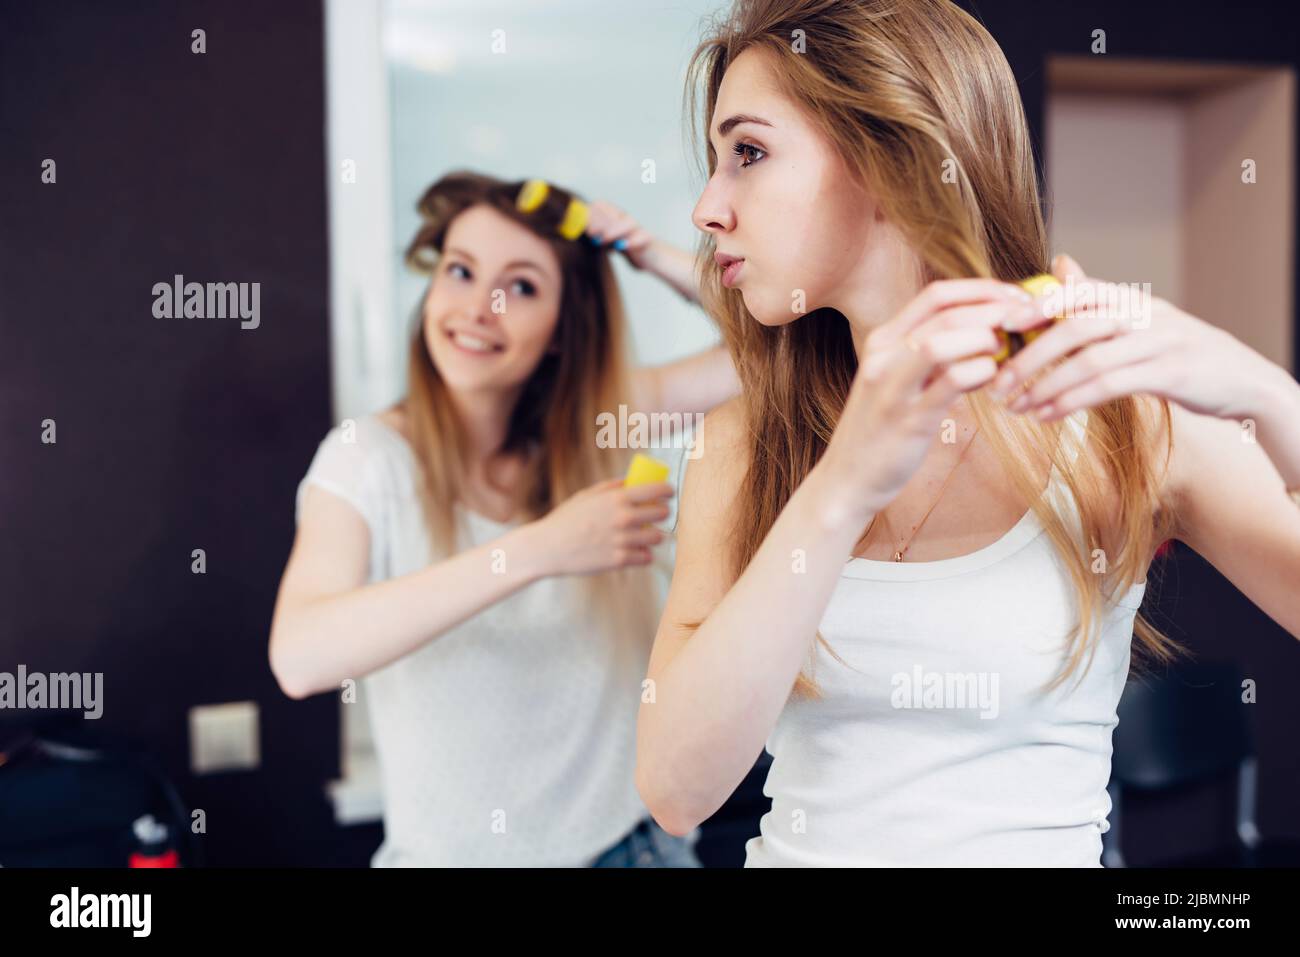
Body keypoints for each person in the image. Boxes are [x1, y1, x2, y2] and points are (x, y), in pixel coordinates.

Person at [635, 0, 1300, 867]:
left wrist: (1269, 396)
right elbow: (677, 789)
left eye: (748, 153)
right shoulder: (744, 444)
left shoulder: (1122, 426)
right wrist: (840, 491)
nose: (707, 207)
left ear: (889, 155)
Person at [270, 170, 737, 866]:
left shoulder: (601, 422)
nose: (479, 307)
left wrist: (653, 257)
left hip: (631, 849)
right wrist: (538, 548)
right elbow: (301, 656)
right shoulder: (366, 459)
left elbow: (770, 347)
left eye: (520, 286)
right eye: (461, 271)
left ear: (560, 330)